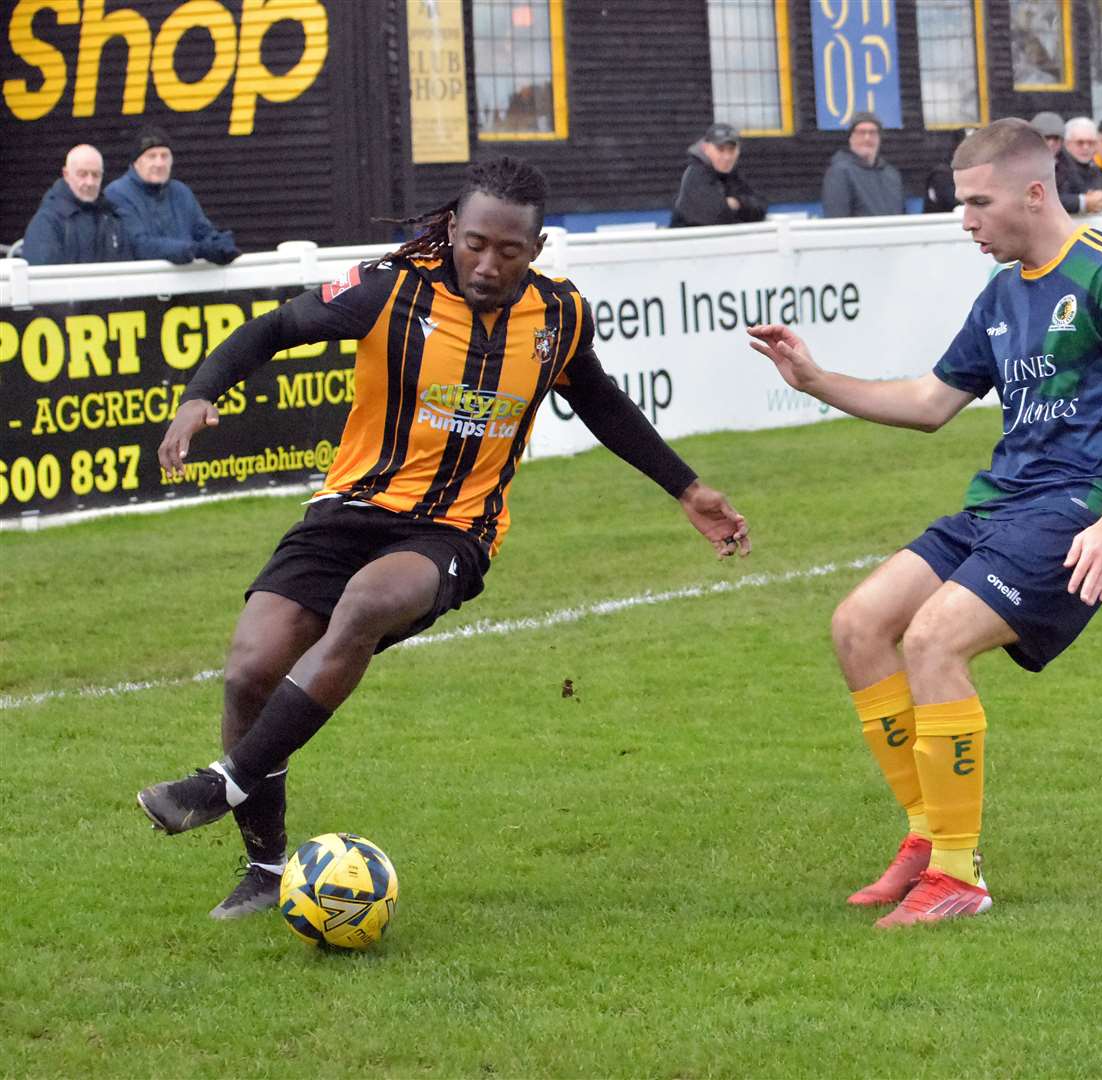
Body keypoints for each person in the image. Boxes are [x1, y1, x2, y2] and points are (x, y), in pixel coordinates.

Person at [134, 157, 751, 918]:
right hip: (346, 512)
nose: (489, 264)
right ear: (453, 230)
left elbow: (599, 400)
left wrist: (687, 488)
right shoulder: (389, 289)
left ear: (538, 246)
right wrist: (200, 397)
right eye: (476, 244)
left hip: (455, 530)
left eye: (510, 251)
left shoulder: (558, 316)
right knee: (246, 674)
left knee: (365, 604)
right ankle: (265, 868)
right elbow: (275, 329)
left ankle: (219, 784)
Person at [747, 117, 1102, 929]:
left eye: (978, 203)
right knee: (858, 626)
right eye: (961, 204)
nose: (966, 220)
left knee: (933, 640)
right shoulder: (999, 293)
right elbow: (928, 404)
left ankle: (958, 875)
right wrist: (812, 380)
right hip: (1002, 504)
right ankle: (925, 838)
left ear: (1032, 191)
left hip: (1076, 509)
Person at [104, 126, 240, 265]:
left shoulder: (181, 192)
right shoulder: (117, 193)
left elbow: (204, 232)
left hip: (187, 282)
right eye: (152, 156)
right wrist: (193, 250)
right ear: (136, 162)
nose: (159, 163)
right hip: (141, 283)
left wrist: (221, 244)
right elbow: (139, 245)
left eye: (165, 156)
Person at [20, 144, 132, 265]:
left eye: (96, 175)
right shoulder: (47, 221)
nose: (90, 182)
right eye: (82, 174)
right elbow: (41, 276)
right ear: (66, 174)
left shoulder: (113, 219)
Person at [668, 122, 767, 228]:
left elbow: (760, 207)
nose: (727, 157)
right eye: (720, 150)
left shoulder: (733, 175)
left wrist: (736, 203)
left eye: (731, 150)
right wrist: (741, 208)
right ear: (706, 148)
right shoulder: (695, 174)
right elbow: (713, 216)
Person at [821, 112, 904, 218]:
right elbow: (837, 222)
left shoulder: (892, 175)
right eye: (861, 132)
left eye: (873, 132)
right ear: (851, 138)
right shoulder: (839, 173)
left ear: (879, 138)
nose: (867, 138)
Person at [1054, 117, 1102, 214]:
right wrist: (1084, 201)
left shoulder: (1093, 167)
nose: (1086, 147)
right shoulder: (1056, 168)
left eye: (1091, 143)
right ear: (1067, 143)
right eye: (1080, 143)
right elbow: (1050, 201)